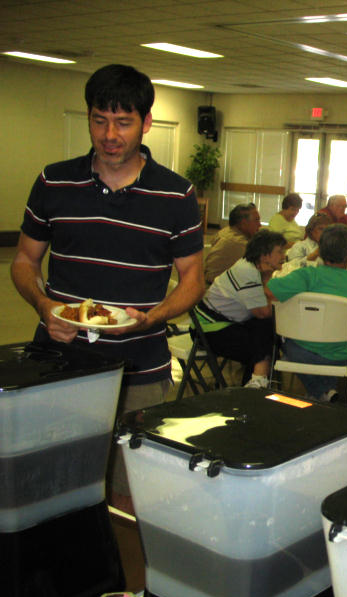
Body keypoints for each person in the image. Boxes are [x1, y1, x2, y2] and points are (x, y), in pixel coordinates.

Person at [10, 64, 205, 514]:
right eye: (99, 120)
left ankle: (120, 582)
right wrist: (44, 305)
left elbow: (193, 280)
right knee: (54, 481)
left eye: (123, 121)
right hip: (62, 362)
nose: (109, 134)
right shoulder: (53, 182)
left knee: (127, 490)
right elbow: (24, 260)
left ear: (146, 123)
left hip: (140, 368)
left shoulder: (176, 195)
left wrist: (152, 318)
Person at [267, 224, 347, 402]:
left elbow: (270, 292)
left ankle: (319, 392)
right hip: (343, 354)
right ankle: (324, 392)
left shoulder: (306, 276)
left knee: (285, 343)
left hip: (303, 352)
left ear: (320, 251)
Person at [196, 231, 287, 389]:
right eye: (279, 251)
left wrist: (267, 277)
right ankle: (256, 385)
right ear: (264, 255)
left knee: (267, 330)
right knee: (268, 333)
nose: (283, 256)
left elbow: (262, 306)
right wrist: (268, 279)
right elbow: (263, 312)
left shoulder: (251, 266)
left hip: (229, 322)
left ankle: (257, 381)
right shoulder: (247, 272)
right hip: (209, 329)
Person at [204, 202, 262, 285]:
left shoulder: (227, 231)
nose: (259, 225)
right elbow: (263, 266)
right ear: (243, 223)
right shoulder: (237, 243)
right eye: (256, 220)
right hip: (219, 290)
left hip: (214, 284)